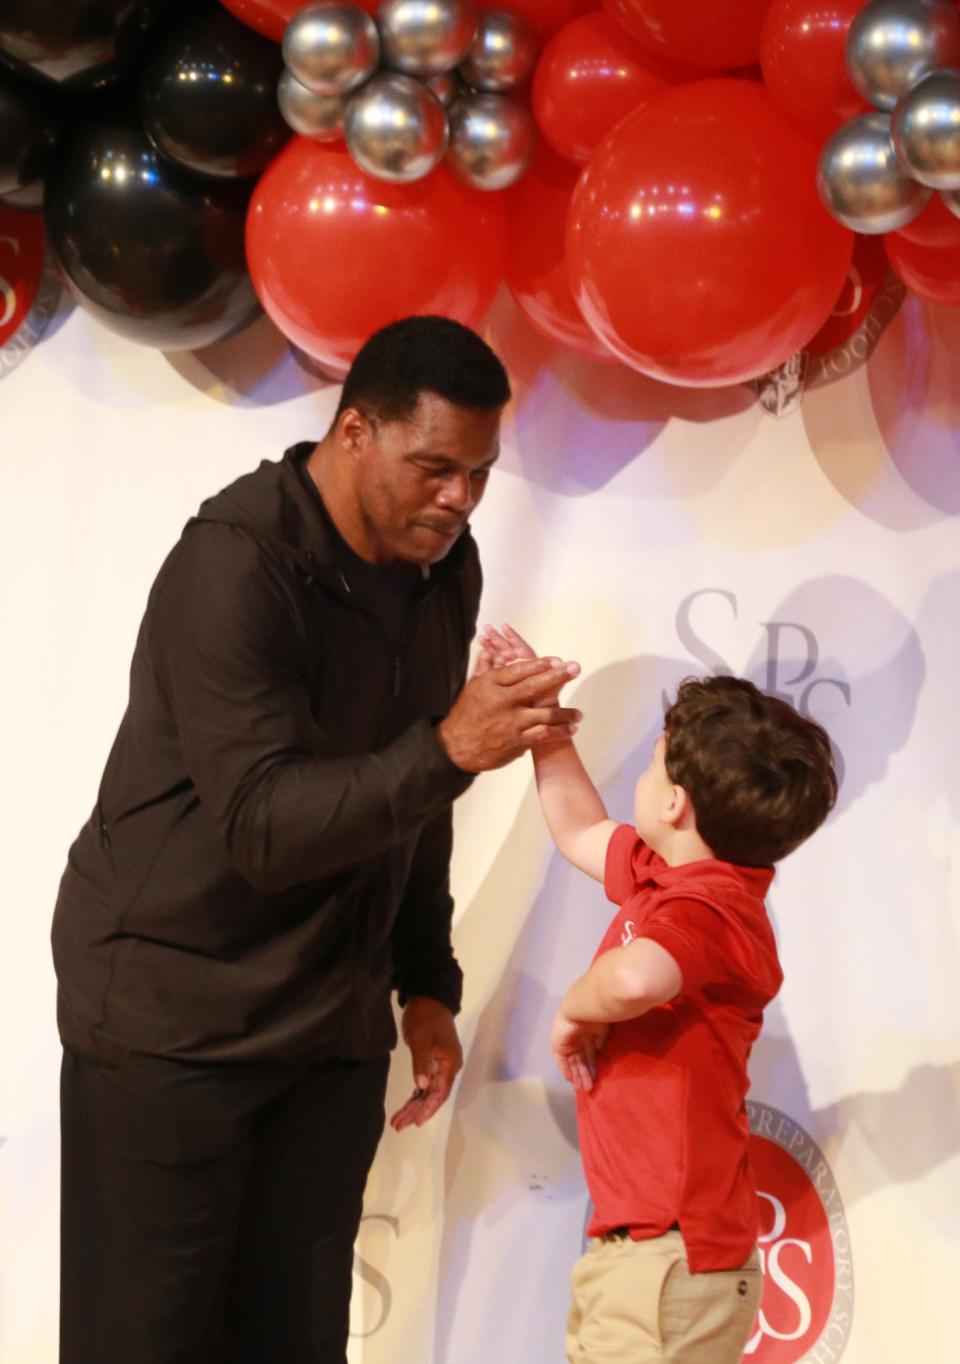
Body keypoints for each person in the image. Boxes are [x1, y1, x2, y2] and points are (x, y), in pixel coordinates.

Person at [52, 317, 582, 1364]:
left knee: (294, 1342)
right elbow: (263, 823)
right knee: (144, 1342)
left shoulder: (446, 567)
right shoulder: (236, 564)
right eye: (433, 466)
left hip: (324, 1024)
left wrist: (426, 979)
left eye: (478, 473)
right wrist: (450, 745)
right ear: (354, 432)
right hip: (169, 1023)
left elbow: (415, 798)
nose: (459, 499)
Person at [478, 626, 838, 1364]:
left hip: (671, 1259)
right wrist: (545, 730)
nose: (636, 781)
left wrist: (574, 1010)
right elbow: (579, 827)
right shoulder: (666, 881)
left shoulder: (715, 909)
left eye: (648, 764)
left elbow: (640, 977)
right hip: (643, 1254)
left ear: (673, 802)